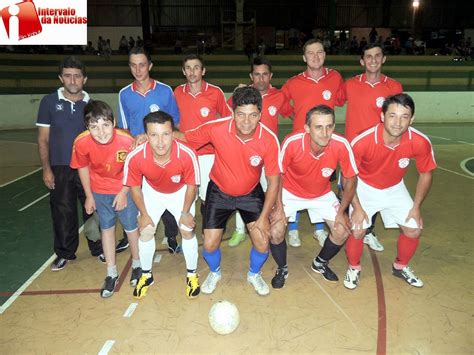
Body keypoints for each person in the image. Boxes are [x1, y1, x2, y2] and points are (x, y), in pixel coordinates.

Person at [176, 86, 281, 296]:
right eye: (240, 115)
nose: (246, 121)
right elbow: (185, 137)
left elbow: (274, 182)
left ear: (260, 114)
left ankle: (254, 273)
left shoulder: (269, 139)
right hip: (219, 191)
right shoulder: (217, 128)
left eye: (252, 115)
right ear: (232, 113)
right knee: (209, 243)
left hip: (251, 193)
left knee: (262, 241)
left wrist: (263, 218)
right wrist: (151, 137)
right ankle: (214, 272)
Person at [344, 94, 436, 290]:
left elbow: (426, 174)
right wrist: (357, 208)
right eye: (392, 115)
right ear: (382, 116)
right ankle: (354, 267)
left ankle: (400, 266)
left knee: (414, 228)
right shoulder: (363, 141)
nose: (398, 122)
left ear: (412, 119)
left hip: (395, 187)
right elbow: (348, 178)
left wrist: (416, 207)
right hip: (364, 186)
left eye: (404, 116)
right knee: (357, 228)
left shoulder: (420, 142)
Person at [269, 105, 358, 288]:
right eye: (318, 127)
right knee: (276, 230)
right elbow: (278, 176)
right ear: (307, 128)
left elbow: (350, 181)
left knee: (342, 230)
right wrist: (278, 207)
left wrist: (342, 211)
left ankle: (320, 263)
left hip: (322, 193)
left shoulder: (341, 144)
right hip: (290, 192)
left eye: (329, 126)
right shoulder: (292, 142)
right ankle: (282, 267)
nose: (325, 133)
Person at [124, 111, 201, 299]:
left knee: (186, 229)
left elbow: (192, 186)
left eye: (165, 134)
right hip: (153, 192)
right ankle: (146, 275)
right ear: (145, 135)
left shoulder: (187, 154)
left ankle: (192, 274)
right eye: (154, 135)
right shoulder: (135, 156)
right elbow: (135, 188)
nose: (160, 142)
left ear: (173, 134)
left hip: (181, 192)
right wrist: (144, 214)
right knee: (147, 230)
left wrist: (185, 213)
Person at [36, 56, 103, 271]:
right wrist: (47, 168)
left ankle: (99, 248)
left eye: (77, 76)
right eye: (67, 75)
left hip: (89, 167)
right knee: (63, 211)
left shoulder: (92, 105)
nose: (72, 80)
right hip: (61, 166)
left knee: (94, 209)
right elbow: (43, 138)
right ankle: (65, 252)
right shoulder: (48, 102)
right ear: (60, 78)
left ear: (84, 79)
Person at [70, 101, 141, 298]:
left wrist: (124, 192)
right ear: (87, 127)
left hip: (123, 188)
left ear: (114, 122)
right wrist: (89, 196)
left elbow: (134, 169)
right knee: (106, 229)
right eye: (94, 127)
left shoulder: (127, 141)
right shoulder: (81, 142)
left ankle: (137, 264)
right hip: (99, 191)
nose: (101, 132)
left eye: (105, 125)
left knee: (130, 228)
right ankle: (111, 273)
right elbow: (82, 167)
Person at [340, 43, 403, 252]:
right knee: (349, 189)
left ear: (383, 59)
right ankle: (348, 226)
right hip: (353, 150)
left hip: (380, 149)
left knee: (374, 190)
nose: (373, 60)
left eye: (377, 56)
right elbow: (329, 98)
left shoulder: (394, 86)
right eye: (369, 56)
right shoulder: (349, 84)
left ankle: (368, 230)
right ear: (362, 61)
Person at [281, 39, 345, 248]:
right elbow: (281, 103)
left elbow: (340, 100)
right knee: (294, 186)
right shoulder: (293, 82)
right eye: (310, 53)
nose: (315, 56)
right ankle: (293, 229)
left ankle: (319, 229)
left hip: (324, 146)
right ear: (304, 57)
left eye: (319, 52)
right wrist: (297, 119)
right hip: (299, 149)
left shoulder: (335, 78)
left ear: (324, 55)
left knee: (322, 185)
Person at [118, 46, 181, 254]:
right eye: (133, 65)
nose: (138, 69)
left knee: (167, 193)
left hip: (165, 153)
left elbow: (175, 123)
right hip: (139, 156)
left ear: (150, 66)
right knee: (139, 196)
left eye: (142, 64)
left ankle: (171, 235)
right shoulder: (124, 94)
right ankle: (134, 233)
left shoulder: (165, 91)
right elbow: (125, 129)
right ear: (129, 67)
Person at [227, 56, 293, 247]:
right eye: (257, 75)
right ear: (251, 76)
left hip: (269, 156)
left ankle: (270, 225)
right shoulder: (241, 94)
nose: (261, 79)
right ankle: (240, 230)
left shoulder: (279, 96)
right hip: (244, 154)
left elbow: (293, 115)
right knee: (240, 192)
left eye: (265, 74)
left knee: (272, 191)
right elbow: (225, 114)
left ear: (270, 76)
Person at [174, 54, 232, 237]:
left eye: (196, 67)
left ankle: (209, 227)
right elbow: (172, 121)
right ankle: (187, 231)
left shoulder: (215, 92)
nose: (192, 72)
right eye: (188, 68)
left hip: (208, 154)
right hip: (184, 154)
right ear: (184, 71)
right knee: (187, 196)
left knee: (208, 197)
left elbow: (228, 120)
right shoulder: (176, 92)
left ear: (203, 70)